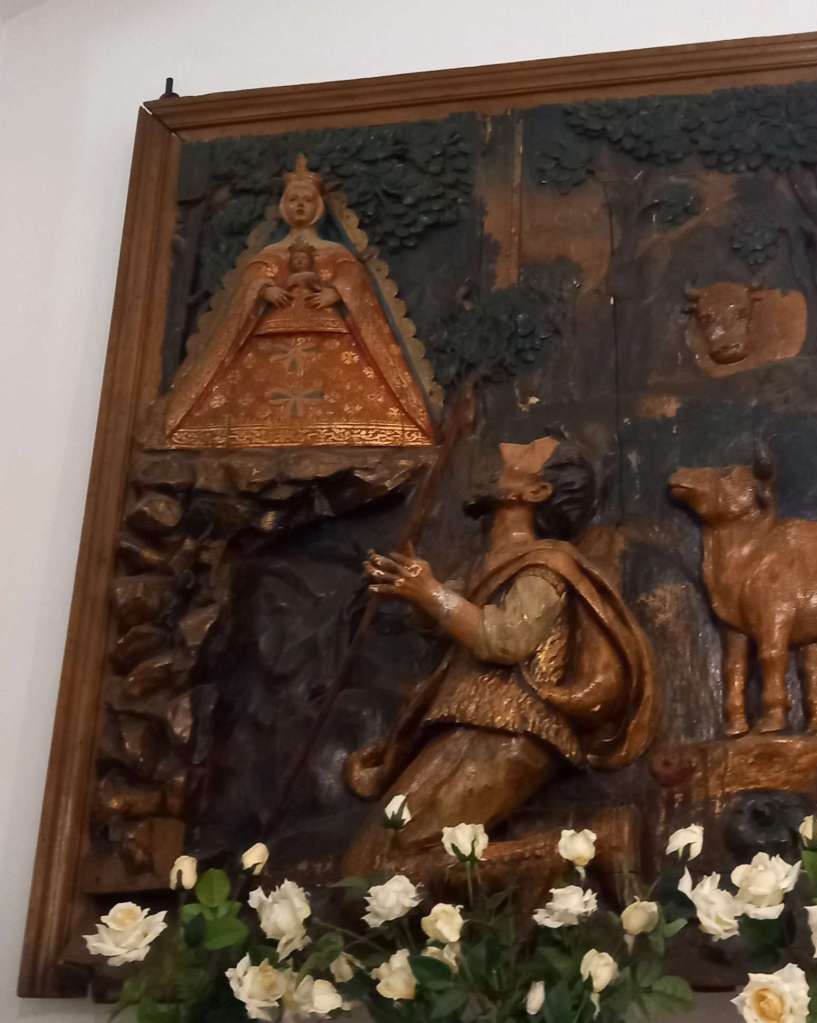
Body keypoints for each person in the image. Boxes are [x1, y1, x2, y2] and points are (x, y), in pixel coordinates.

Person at [340, 436, 656, 885]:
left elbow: (506, 639)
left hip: (507, 724)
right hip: (474, 720)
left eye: (524, 453)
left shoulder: (548, 563)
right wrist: (412, 590)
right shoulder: (489, 561)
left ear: (536, 492)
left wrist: (430, 593)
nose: (505, 447)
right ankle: (580, 850)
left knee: (373, 873)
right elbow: (449, 623)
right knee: (373, 867)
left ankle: (593, 847)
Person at [155, 155, 434, 448]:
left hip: (327, 329)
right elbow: (253, 278)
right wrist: (265, 289)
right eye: (293, 199)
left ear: (319, 206)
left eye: (307, 200)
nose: (300, 205)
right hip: (273, 330)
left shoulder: (334, 250)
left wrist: (336, 292)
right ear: (283, 205)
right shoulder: (272, 251)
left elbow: (352, 276)